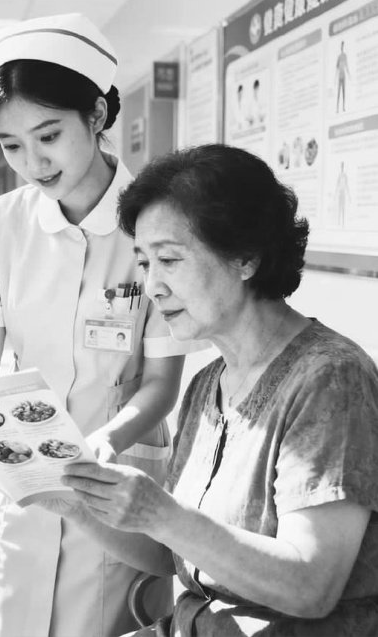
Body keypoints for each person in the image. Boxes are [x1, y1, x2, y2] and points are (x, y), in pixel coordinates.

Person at [0, 13, 205, 637]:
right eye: (11, 146)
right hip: (21, 476)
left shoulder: (157, 223)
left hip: (114, 479)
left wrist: (103, 444)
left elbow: (161, 384)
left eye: (49, 135)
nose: (33, 162)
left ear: (96, 113)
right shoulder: (2, 223)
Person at [54, 144, 378, 636]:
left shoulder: (331, 378)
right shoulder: (208, 384)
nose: (153, 286)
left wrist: (162, 513)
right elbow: (170, 555)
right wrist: (66, 501)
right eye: (144, 263)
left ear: (245, 257)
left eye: (169, 259)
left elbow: (311, 587)